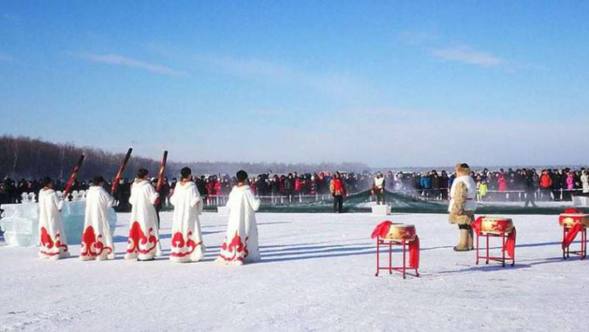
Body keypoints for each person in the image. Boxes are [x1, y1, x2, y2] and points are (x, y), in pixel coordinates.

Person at [216, 170, 261, 265]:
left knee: (233, 235)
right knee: (246, 235)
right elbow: (255, 206)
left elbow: (229, 204)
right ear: (245, 179)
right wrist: (258, 201)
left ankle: (232, 254)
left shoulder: (234, 190)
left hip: (234, 219)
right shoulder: (248, 191)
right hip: (245, 219)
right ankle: (244, 255)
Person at [169, 167, 205, 263]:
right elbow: (196, 199)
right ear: (189, 175)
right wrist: (199, 204)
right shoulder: (192, 186)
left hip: (179, 213)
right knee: (191, 230)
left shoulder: (177, 185)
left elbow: (173, 199)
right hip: (190, 212)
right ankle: (192, 253)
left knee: (180, 229)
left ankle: (179, 251)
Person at [125, 168, 162, 261]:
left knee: (137, 229)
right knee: (146, 229)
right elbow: (153, 200)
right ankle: (146, 252)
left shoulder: (134, 186)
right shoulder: (147, 186)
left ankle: (137, 251)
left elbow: (131, 200)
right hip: (146, 211)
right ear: (145, 176)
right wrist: (157, 195)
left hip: (136, 211)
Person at [80, 176, 115, 261]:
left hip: (90, 216)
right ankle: (101, 252)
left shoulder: (90, 192)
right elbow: (109, 204)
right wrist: (112, 198)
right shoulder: (102, 192)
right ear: (100, 183)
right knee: (101, 230)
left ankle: (89, 251)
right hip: (100, 216)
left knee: (92, 230)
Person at [38, 177, 70, 259]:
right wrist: (62, 200)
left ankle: (46, 251)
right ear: (49, 183)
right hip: (53, 217)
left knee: (46, 232)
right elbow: (59, 206)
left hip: (43, 217)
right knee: (55, 232)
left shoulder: (41, 193)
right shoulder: (52, 194)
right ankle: (56, 251)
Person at [448, 163, 477, 252]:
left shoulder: (460, 180)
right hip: (470, 205)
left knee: (463, 224)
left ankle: (463, 244)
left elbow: (460, 195)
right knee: (469, 223)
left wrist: (458, 208)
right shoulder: (470, 179)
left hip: (463, 205)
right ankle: (470, 244)